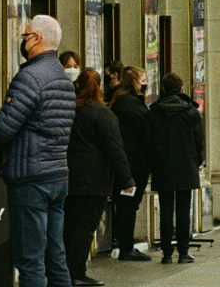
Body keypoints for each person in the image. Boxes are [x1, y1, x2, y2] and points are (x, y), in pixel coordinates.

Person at [0, 15, 77, 287]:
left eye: (26, 35)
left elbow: (3, 128)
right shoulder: (63, 80)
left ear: (38, 39)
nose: (24, 41)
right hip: (57, 176)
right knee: (56, 256)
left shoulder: (30, 77)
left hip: (30, 178)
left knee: (30, 259)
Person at [65, 69, 134, 287]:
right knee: (85, 227)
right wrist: (127, 180)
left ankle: (66, 271)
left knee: (70, 226)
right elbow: (115, 148)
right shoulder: (102, 113)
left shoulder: (69, 110)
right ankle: (76, 273)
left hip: (69, 176)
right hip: (94, 179)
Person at [149, 73, 205, 264]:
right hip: (186, 166)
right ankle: (183, 251)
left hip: (162, 165)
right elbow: (199, 142)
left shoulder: (154, 112)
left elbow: (149, 140)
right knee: (183, 210)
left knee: (165, 210)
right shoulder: (191, 112)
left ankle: (166, 253)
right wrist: (196, 161)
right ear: (181, 89)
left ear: (163, 89)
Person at [108, 65, 154, 261]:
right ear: (134, 82)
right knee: (129, 204)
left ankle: (124, 242)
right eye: (143, 81)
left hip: (128, 163)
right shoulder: (131, 105)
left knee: (126, 204)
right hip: (133, 164)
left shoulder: (121, 101)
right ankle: (126, 246)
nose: (145, 85)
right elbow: (145, 133)